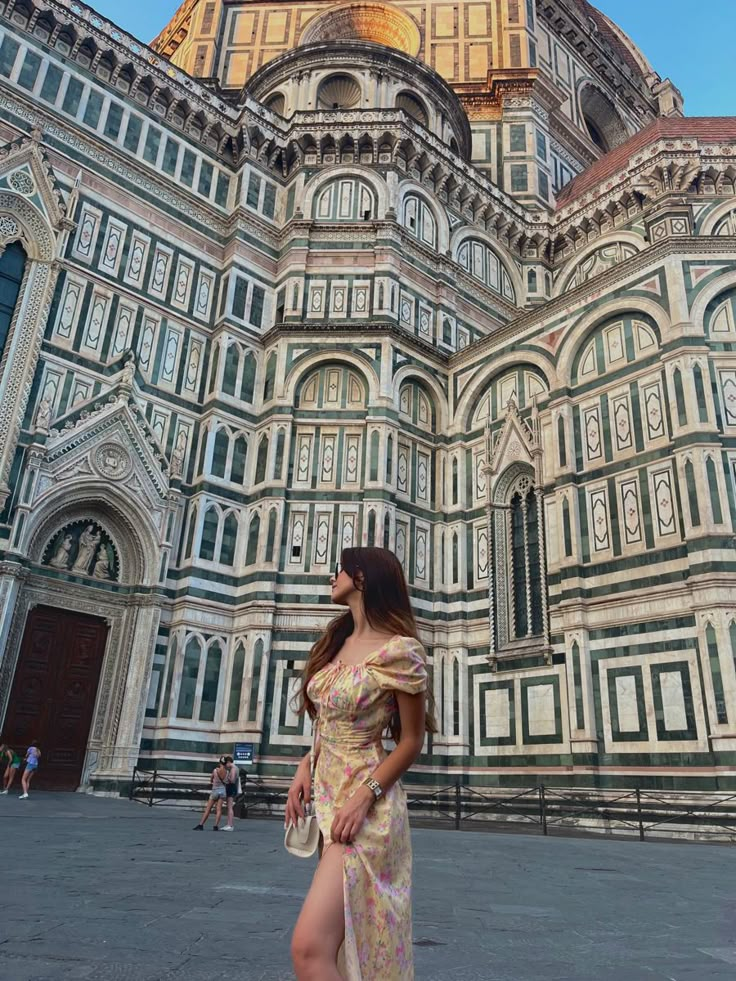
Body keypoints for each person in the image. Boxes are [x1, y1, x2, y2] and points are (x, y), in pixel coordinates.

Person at [286, 546, 435, 981]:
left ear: (363, 578)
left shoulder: (399, 652)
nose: (333, 576)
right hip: (329, 799)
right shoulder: (337, 641)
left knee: (309, 948)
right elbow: (330, 725)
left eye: (341, 569)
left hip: (366, 810)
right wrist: (305, 767)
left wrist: (364, 797)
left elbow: (410, 741)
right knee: (338, 950)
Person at [193, 758, 227, 830]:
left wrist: (213, 782)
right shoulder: (227, 772)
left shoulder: (215, 770)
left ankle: (201, 825)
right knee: (219, 809)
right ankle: (215, 826)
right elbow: (227, 781)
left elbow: (211, 779)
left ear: (220, 763)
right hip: (223, 791)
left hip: (215, 790)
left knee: (208, 809)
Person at [222, 756, 239, 832]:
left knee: (230, 807)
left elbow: (232, 780)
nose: (226, 766)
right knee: (229, 807)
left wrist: (227, 777)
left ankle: (230, 825)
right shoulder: (235, 768)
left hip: (231, 787)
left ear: (229, 762)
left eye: (226, 764)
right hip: (232, 788)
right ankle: (229, 824)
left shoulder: (233, 769)